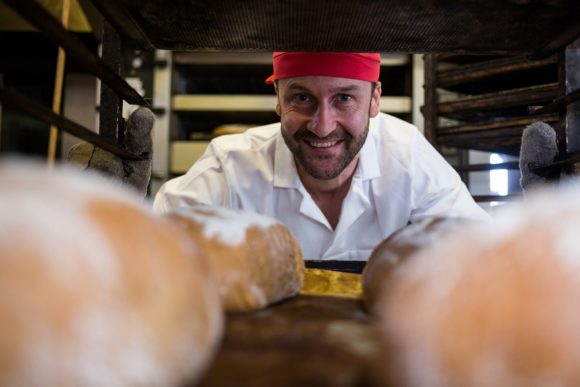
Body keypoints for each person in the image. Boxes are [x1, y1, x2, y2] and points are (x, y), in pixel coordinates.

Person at [153, 52, 490, 261]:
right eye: (301, 98)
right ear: (278, 99)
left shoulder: (409, 159)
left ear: (375, 100)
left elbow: (481, 257)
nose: (322, 126)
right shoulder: (232, 166)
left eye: (344, 98)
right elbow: (153, 248)